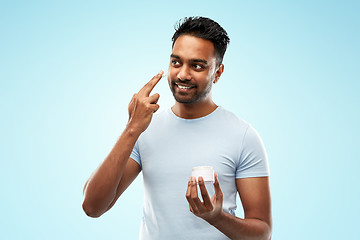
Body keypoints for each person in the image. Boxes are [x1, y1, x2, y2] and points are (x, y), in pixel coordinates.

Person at [82, 16, 272, 240]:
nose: (183, 74)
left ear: (218, 73)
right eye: (176, 62)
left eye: (197, 66)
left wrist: (216, 217)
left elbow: (262, 233)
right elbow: (93, 207)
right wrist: (131, 128)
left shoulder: (243, 136)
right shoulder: (144, 129)